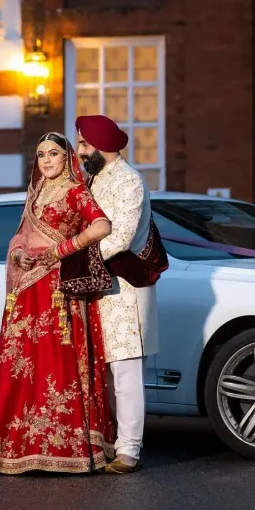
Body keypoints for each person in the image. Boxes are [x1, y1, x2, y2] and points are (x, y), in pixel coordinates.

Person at [0, 132, 116, 475]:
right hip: (29, 289)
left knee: (53, 361)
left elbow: (102, 226)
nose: (46, 160)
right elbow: (20, 235)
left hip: (57, 290)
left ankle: (60, 448)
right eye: (41, 155)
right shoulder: (36, 192)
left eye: (53, 154)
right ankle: (8, 448)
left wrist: (62, 250)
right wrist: (18, 253)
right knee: (19, 362)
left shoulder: (75, 191)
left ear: (66, 158)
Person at [43, 114, 165, 474]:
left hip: (124, 291)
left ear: (101, 145)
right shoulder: (94, 179)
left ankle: (129, 452)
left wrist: (69, 255)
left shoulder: (130, 181)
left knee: (126, 374)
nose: (78, 152)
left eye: (82, 144)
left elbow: (120, 238)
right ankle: (107, 443)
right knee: (102, 375)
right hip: (95, 290)